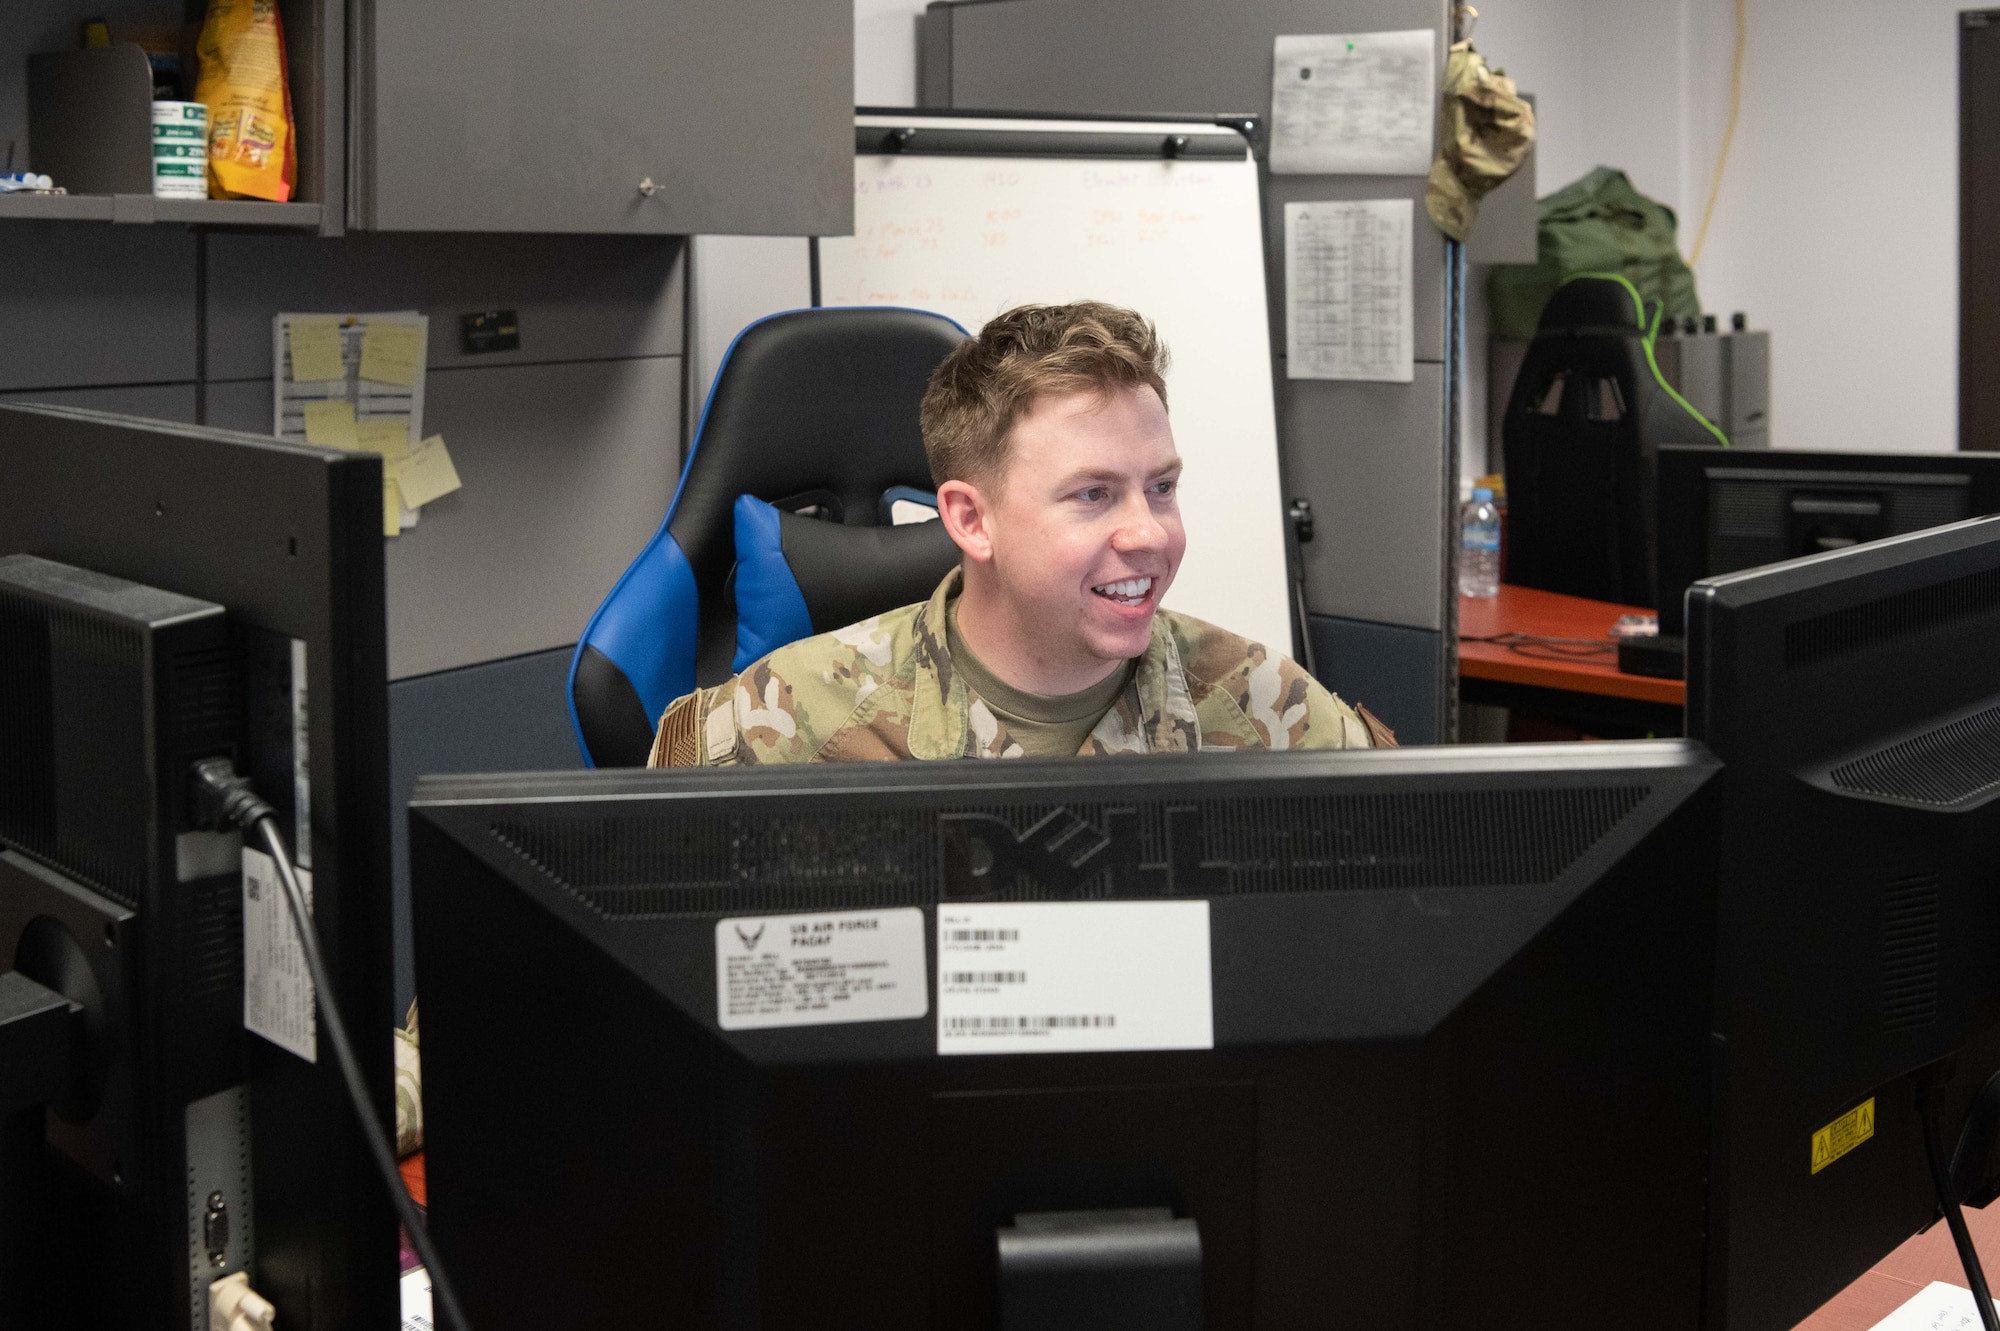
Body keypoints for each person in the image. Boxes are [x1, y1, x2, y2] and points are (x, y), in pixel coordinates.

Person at [648, 300, 1394, 767]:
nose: (1149, 533)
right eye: (1094, 494)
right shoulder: (778, 723)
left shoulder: (1273, 713)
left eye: (1161, 487)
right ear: (971, 520)